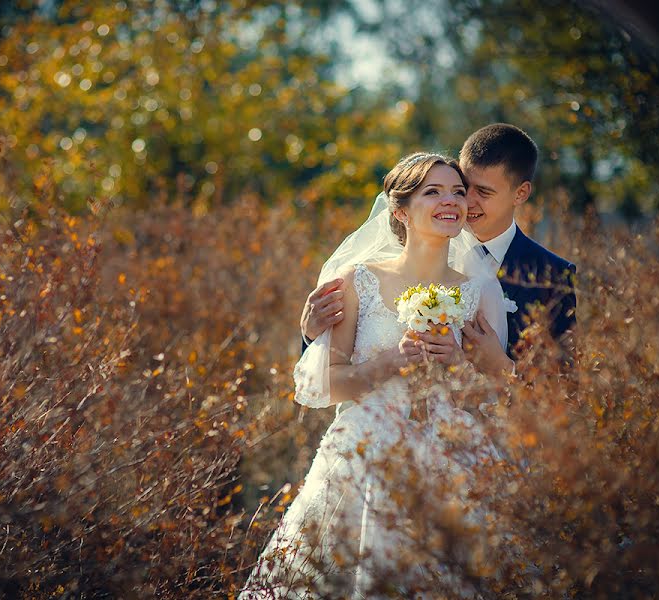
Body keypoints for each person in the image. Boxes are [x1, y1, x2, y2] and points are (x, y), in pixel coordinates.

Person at [240, 153, 511, 598]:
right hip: (365, 454)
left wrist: (459, 367)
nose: (451, 201)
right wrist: (389, 364)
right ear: (400, 211)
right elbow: (323, 386)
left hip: (450, 455)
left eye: (458, 192)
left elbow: (492, 400)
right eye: (433, 191)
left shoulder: (481, 290)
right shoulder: (356, 280)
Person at [302, 124, 577, 376]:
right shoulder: (387, 259)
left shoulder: (552, 274)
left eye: (483, 192)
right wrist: (312, 335)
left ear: (520, 194)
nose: (465, 201)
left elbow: (566, 386)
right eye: (463, 187)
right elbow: (322, 374)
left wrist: (504, 367)